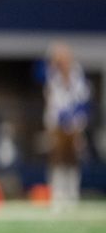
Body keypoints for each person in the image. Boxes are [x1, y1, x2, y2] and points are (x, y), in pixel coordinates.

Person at [44, 42, 90, 211]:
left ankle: (72, 192)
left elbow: (83, 99)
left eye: (63, 58)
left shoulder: (78, 74)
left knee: (72, 158)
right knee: (57, 157)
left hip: (75, 122)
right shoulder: (52, 74)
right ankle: (57, 192)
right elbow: (52, 99)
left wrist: (75, 117)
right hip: (57, 121)